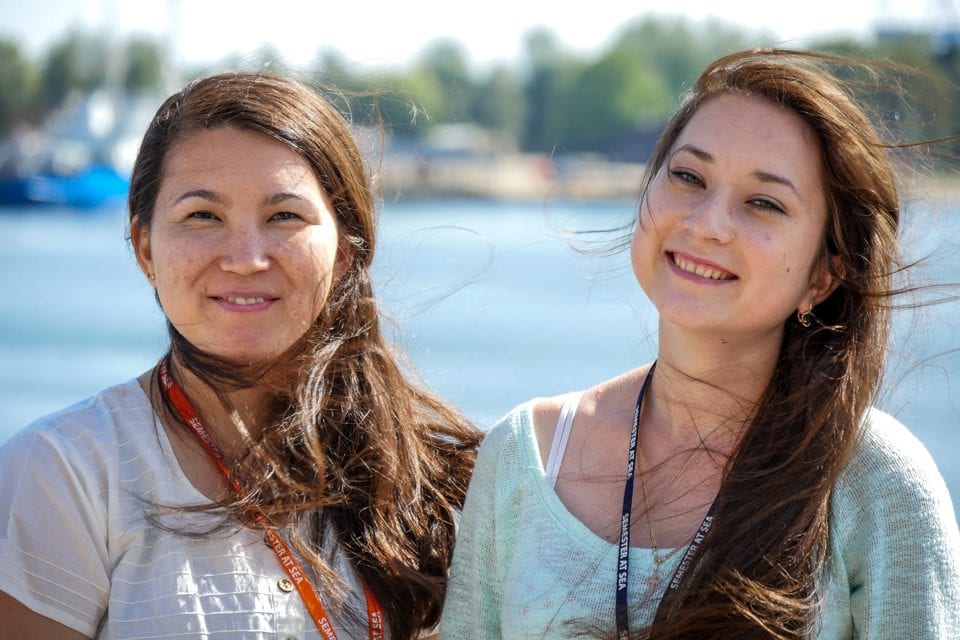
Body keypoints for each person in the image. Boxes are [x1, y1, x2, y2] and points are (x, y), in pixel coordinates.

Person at [440, 49, 960, 639]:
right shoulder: (524, 455)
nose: (708, 223)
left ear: (824, 275)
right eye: (688, 177)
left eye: (764, 203)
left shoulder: (876, 480)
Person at [0, 71, 482, 639]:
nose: (246, 257)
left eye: (285, 216)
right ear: (145, 247)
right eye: (203, 216)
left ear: (348, 250)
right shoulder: (65, 471)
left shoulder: (427, 480)